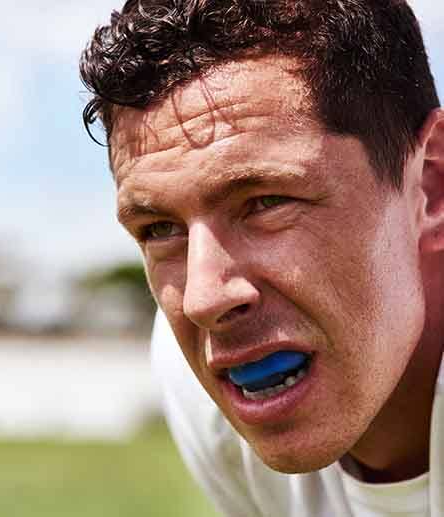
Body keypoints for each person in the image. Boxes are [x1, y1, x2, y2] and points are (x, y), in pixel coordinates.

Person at [80, 1, 444, 515]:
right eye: (160, 229)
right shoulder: (199, 390)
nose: (205, 299)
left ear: (429, 183)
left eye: (266, 203)